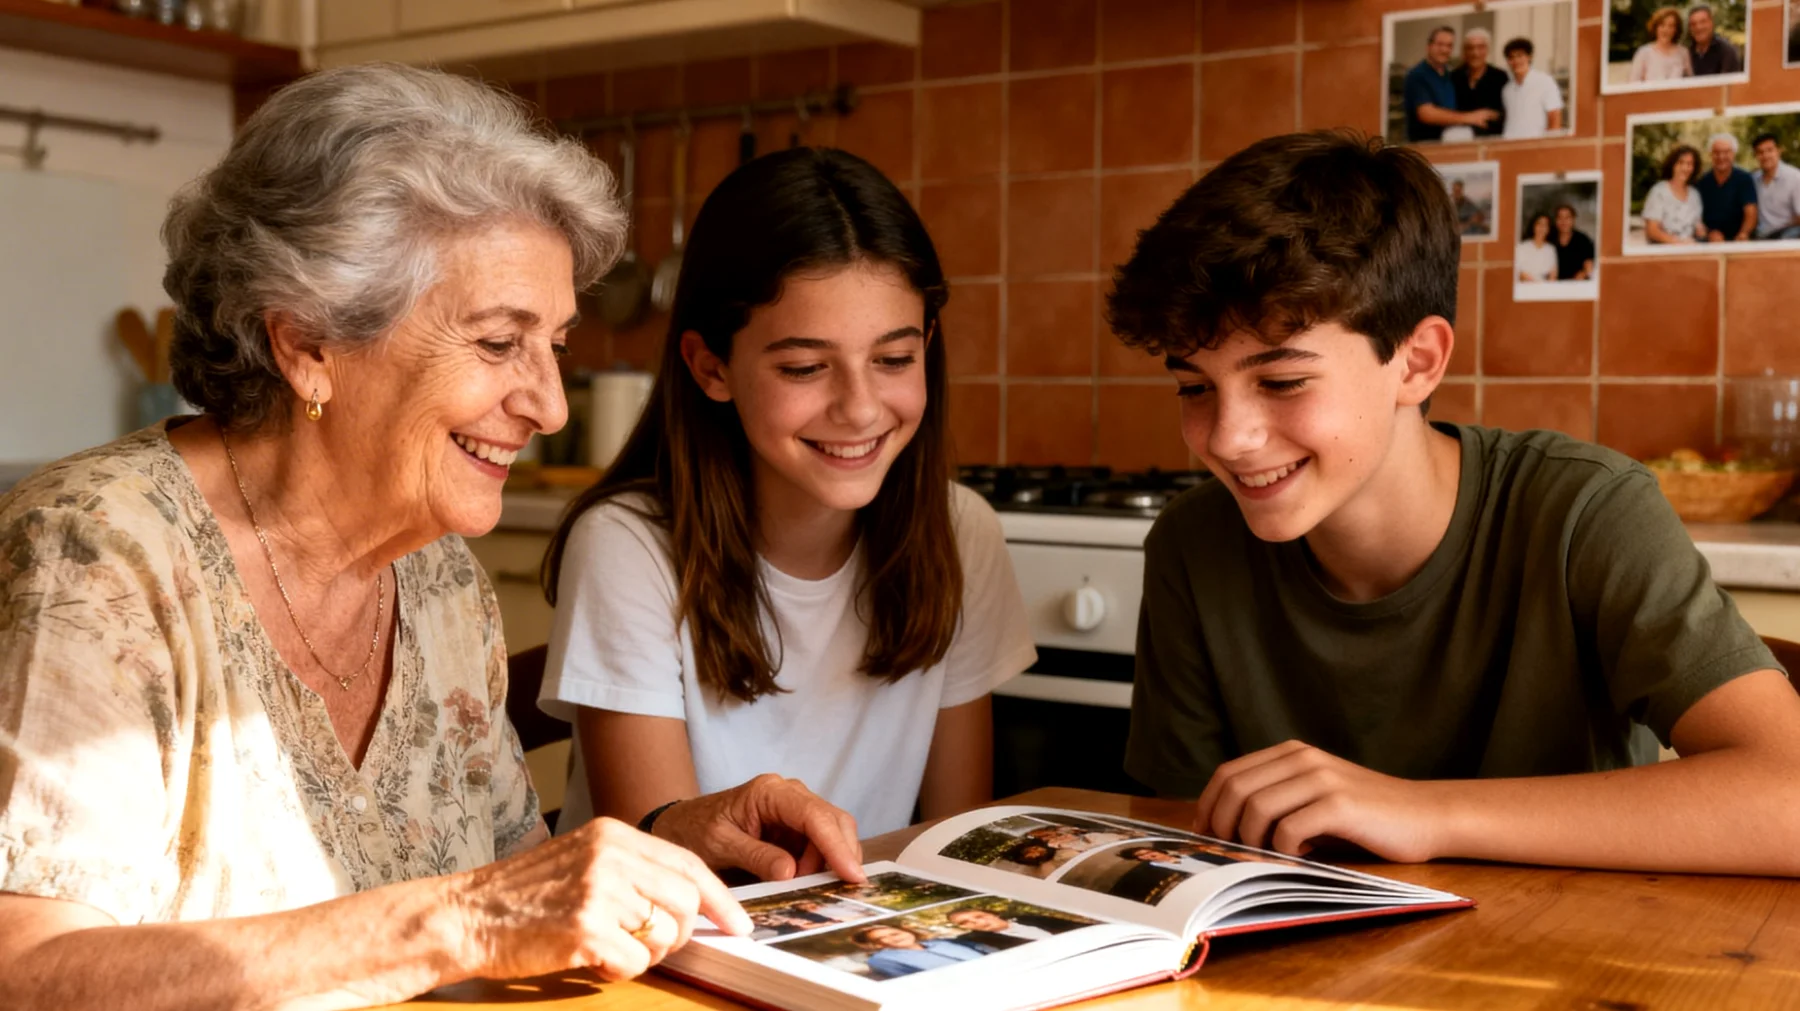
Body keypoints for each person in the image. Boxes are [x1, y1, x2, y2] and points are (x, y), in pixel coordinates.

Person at [0, 63, 934, 1010]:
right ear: (307, 342)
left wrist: (679, 835)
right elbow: (25, 973)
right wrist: (466, 921)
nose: (549, 404)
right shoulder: (93, 555)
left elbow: (516, 882)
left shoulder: (438, 574)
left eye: (556, 345)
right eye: (497, 344)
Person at [1106, 129, 1800, 876]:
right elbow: (1182, 843)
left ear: (1418, 361)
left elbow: (1787, 795)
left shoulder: (1583, 513)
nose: (1229, 439)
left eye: (1281, 382)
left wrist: (1420, 809)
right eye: (1192, 387)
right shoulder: (1191, 543)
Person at [538, 147, 1036, 850]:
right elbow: (654, 859)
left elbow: (953, 844)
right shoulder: (627, 545)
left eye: (894, 359)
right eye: (805, 367)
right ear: (711, 367)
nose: (860, 409)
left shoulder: (960, 532)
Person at [1403, 25, 1498, 142]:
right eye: (1440, 44)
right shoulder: (1417, 75)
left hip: (1450, 143)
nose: (1444, 50)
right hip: (1425, 146)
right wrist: (1470, 117)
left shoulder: (1450, 74)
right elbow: (1426, 114)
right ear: (1429, 46)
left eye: (1449, 46)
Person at [855, 924, 992, 979]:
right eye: (881, 938)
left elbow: (984, 949)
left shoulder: (941, 942)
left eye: (895, 933)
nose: (894, 938)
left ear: (907, 931)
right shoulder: (881, 959)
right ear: (877, 945)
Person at [1694, 133, 1759, 242]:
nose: (1721, 156)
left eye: (1726, 152)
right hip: (1711, 240)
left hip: (1740, 238)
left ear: (1733, 154)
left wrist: (1743, 234)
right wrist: (1710, 234)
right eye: (1716, 152)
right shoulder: (1702, 182)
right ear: (1711, 155)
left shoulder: (1744, 179)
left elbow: (1751, 213)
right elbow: (1697, 217)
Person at [1499, 37, 1564, 140]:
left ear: (1529, 57)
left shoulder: (1545, 81)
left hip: (1536, 145)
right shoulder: (1507, 90)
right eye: (1511, 57)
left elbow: (1554, 116)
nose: (1516, 61)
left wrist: (1552, 145)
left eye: (1520, 56)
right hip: (1510, 143)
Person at [1642, 144, 1707, 244]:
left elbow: (1698, 229)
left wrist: (1702, 232)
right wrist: (1678, 243)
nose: (1685, 168)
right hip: (1663, 251)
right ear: (1673, 165)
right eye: (1680, 163)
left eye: (1690, 164)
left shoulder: (1695, 195)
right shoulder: (1659, 191)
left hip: (1689, 249)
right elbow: (1651, 231)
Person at [1450, 28, 1507, 137]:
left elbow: (1508, 112)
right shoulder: (1454, 77)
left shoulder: (1500, 77)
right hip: (1459, 137)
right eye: (1470, 48)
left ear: (1487, 50)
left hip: (1490, 138)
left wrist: (1495, 115)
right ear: (1464, 51)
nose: (1475, 53)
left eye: (1480, 47)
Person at [944, 907, 1083, 950]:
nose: (976, 923)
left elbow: (1077, 927)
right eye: (965, 923)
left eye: (979, 916)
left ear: (993, 913)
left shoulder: (1030, 918)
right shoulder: (982, 942)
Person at [1750, 133, 1800, 240]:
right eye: (1760, 152)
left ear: (1778, 151)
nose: (1765, 155)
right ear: (1756, 156)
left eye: (1769, 150)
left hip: (1787, 235)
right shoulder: (1753, 179)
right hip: (1760, 237)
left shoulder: (1794, 177)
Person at [1628, 7, 1693, 83]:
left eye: (1671, 26)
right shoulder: (1643, 53)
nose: (1666, 30)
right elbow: (1632, 84)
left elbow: (1690, 81)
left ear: (1676, 29)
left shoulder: (1683, 52)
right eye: (1662, 25)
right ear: (1656, 27)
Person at [1687, 4, 1743, 76]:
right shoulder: (1688, 53)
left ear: (1711, 23)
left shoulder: (1726, 50)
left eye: (1703, 22)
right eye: (1693, 24)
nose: (1698, 27)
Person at [1551, 204, 1596, 280]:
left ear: (1573, 219)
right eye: (1560, 217)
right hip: (1553, 286)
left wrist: (1584, 273)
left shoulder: (1583, 240)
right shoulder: (1550, 239)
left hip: (1576, 285)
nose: (1563, 221)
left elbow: (1589, 267)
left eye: (1567, 217)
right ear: (1556, 220)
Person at [1118, 844, 1225, 875]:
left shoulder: (1188, 855)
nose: (1147, 855)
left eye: (1147, 852)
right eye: (1140, 856)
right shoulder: (1156, 871)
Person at [1515, 212, 1560, 280]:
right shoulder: (1521, 247)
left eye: (1545, 225)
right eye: (1539, 224)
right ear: (1533, 226)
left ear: (1548, 229)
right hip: (1525, 287)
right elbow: (1519, 273)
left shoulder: (1550, 249)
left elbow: (1553, 274)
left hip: (1545, 288)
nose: (1542, 227)